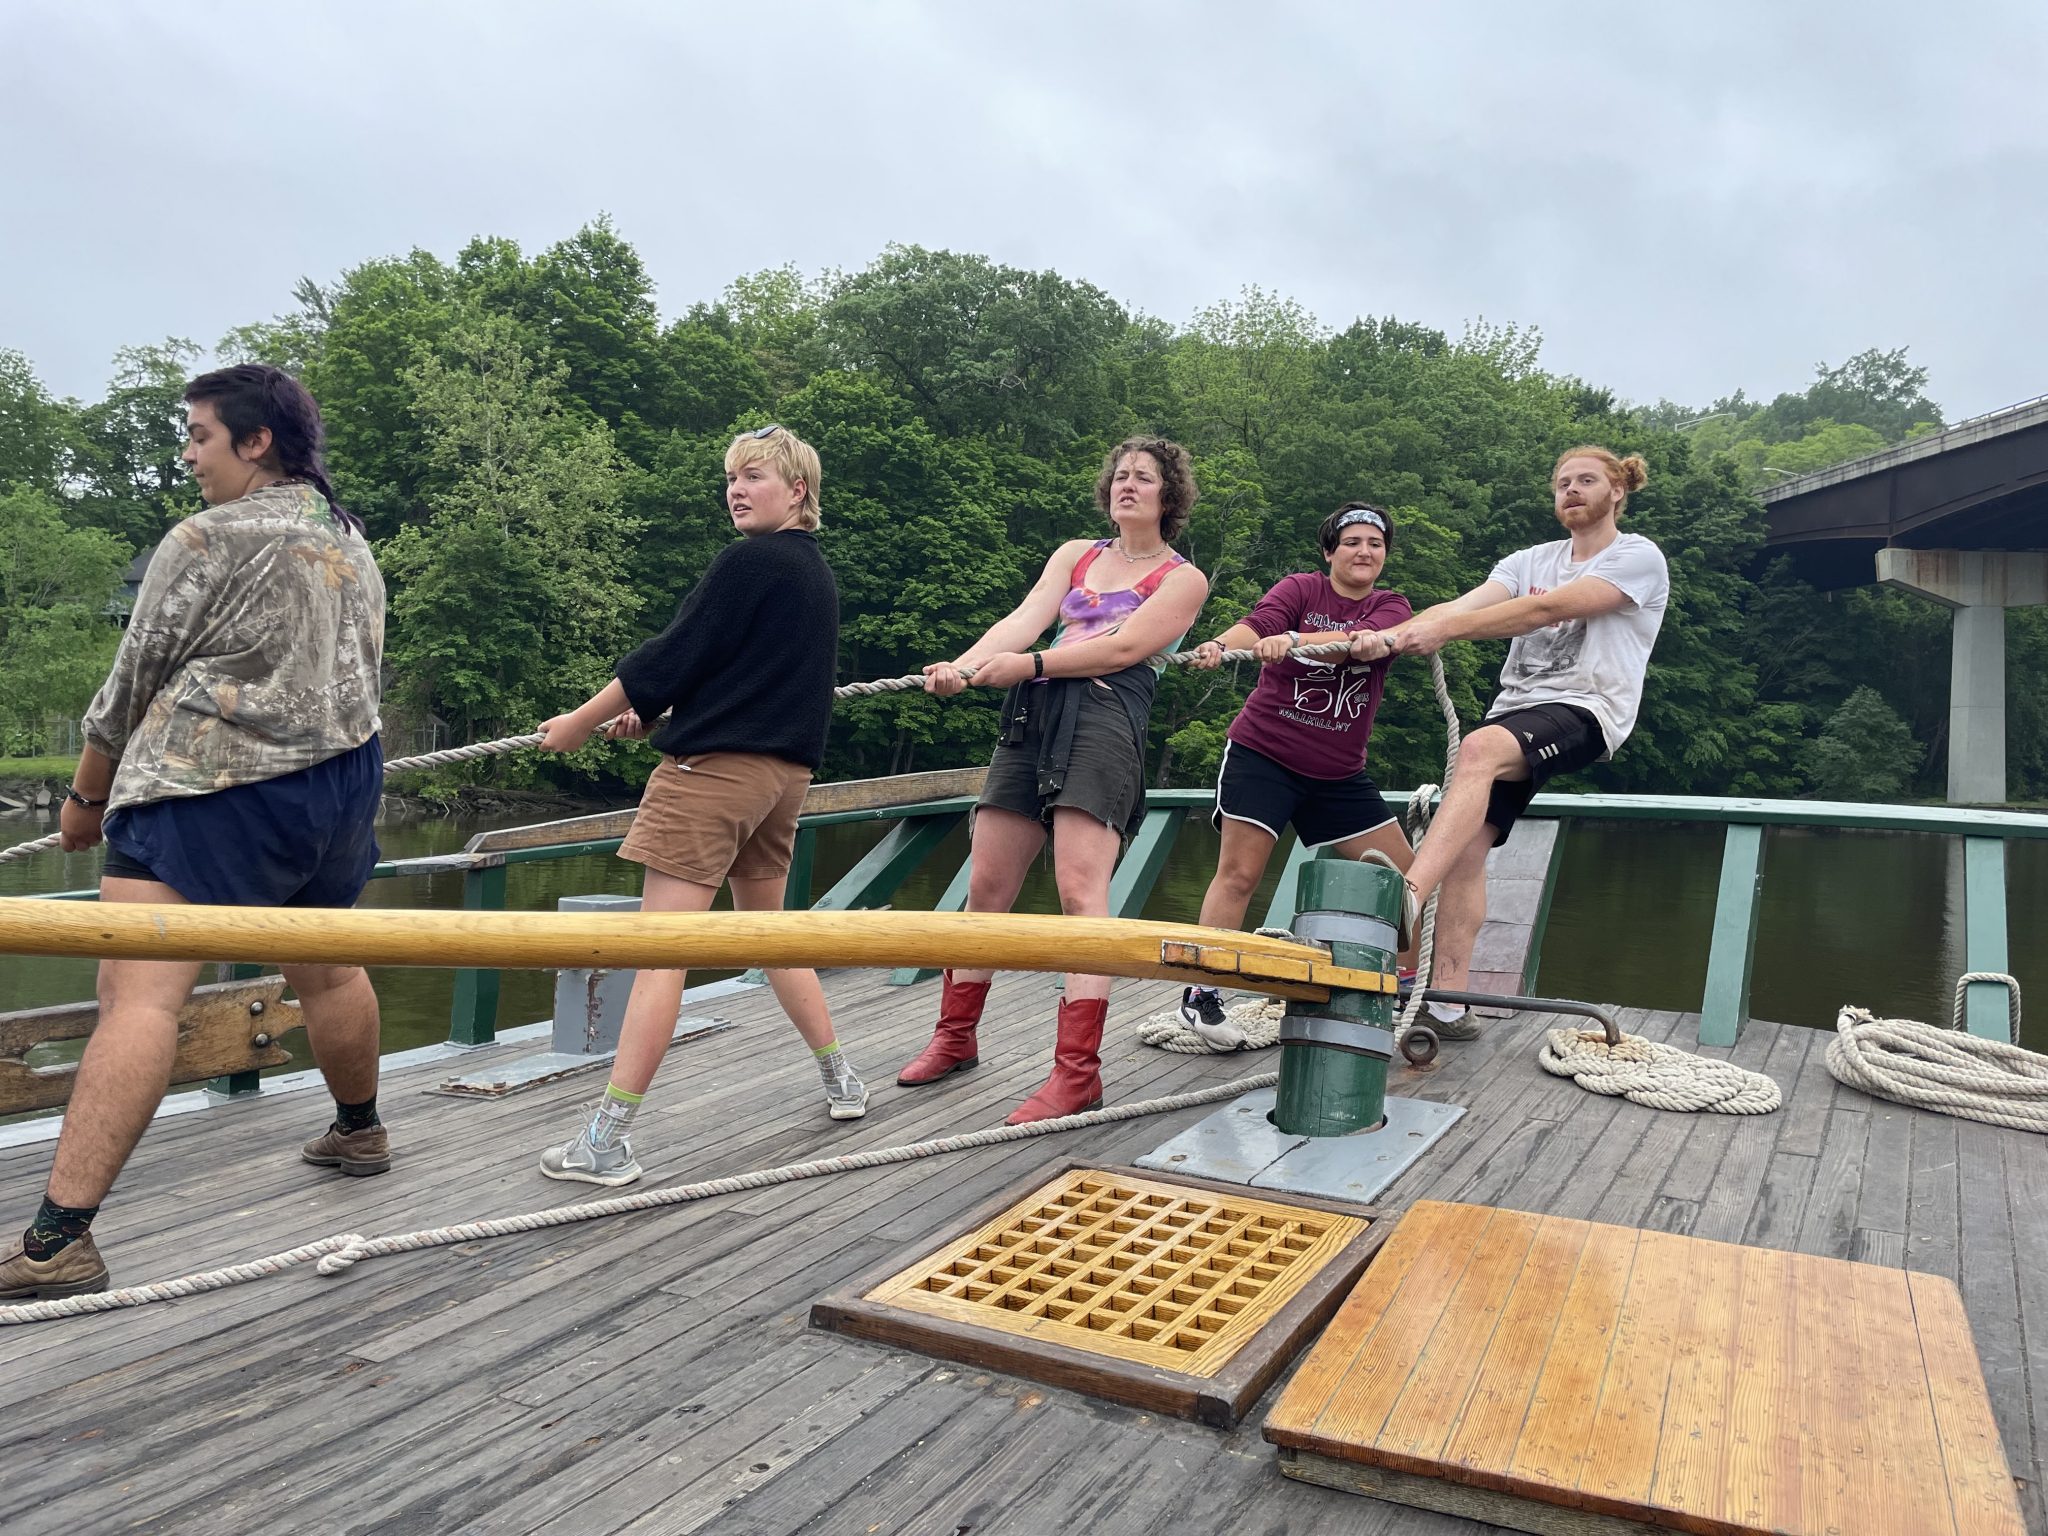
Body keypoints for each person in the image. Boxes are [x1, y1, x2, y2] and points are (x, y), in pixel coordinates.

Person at [1, 365, 388, 1300]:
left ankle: (58, 1243)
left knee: (137, 999)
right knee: (328, 967)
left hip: (209, 786)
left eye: (200, 436)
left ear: (256, 442)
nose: (187, 456)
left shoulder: (206, 538)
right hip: (341, 787)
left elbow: (132, 680)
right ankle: (359, 1130)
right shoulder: (347, 536)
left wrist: (85, 798)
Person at [533, 425, 852, 1187]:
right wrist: (659, 716)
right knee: (771, 937)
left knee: (660, 953)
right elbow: (744, 678)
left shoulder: (750, 561)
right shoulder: (812, 573)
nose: (737, 490)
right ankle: (842, 1079)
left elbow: (672, 653)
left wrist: (580, 721)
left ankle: (607, 1140)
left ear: (797, 490)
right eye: (731, 479)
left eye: (754, 476)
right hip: (780, 782)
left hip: (711, 779)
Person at [899, 436, 1209, 1123]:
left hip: (1106, 715)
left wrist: (1032, 665)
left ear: (1169, 495)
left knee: (1079, 893)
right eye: (1120, 475)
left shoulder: (1183, 578)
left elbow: (1125, 648)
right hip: (1032, 714)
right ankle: (954, 1036)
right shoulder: (1076, 554)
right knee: (986, 885)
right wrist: (962, 667)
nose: (1128, 485)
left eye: (1144, 478)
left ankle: (1077, 1074)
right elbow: (1025, 620)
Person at [1383, 446, 1668, 1029]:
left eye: (1586, 480)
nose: (1572, 490)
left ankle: (1407, 894)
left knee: (1479, 747)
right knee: (1465, 850)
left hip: (1588, 710)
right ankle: (1448, 1006)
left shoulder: (1637, 556)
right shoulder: (1528, 560)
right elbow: (1460, 606)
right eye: (1563, 482)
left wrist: (1444, 630)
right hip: (1515, 714)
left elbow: (1547, 610)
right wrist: (1387, 636)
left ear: (1617, 490)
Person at [1179, 502, 1416, 1042]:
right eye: (1352, 542)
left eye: (1375, 544)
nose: (1364, 552)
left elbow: (1353, 648)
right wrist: (1221, 645)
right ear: (1330, 551)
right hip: (1264, 756)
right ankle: (1201, 993)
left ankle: (1402, 992)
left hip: (1338, 774)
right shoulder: (1301, 590)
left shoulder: (1392, 606)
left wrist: (1293, 642)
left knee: (1404, 881)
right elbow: (1257, 625)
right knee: (1239, 875)